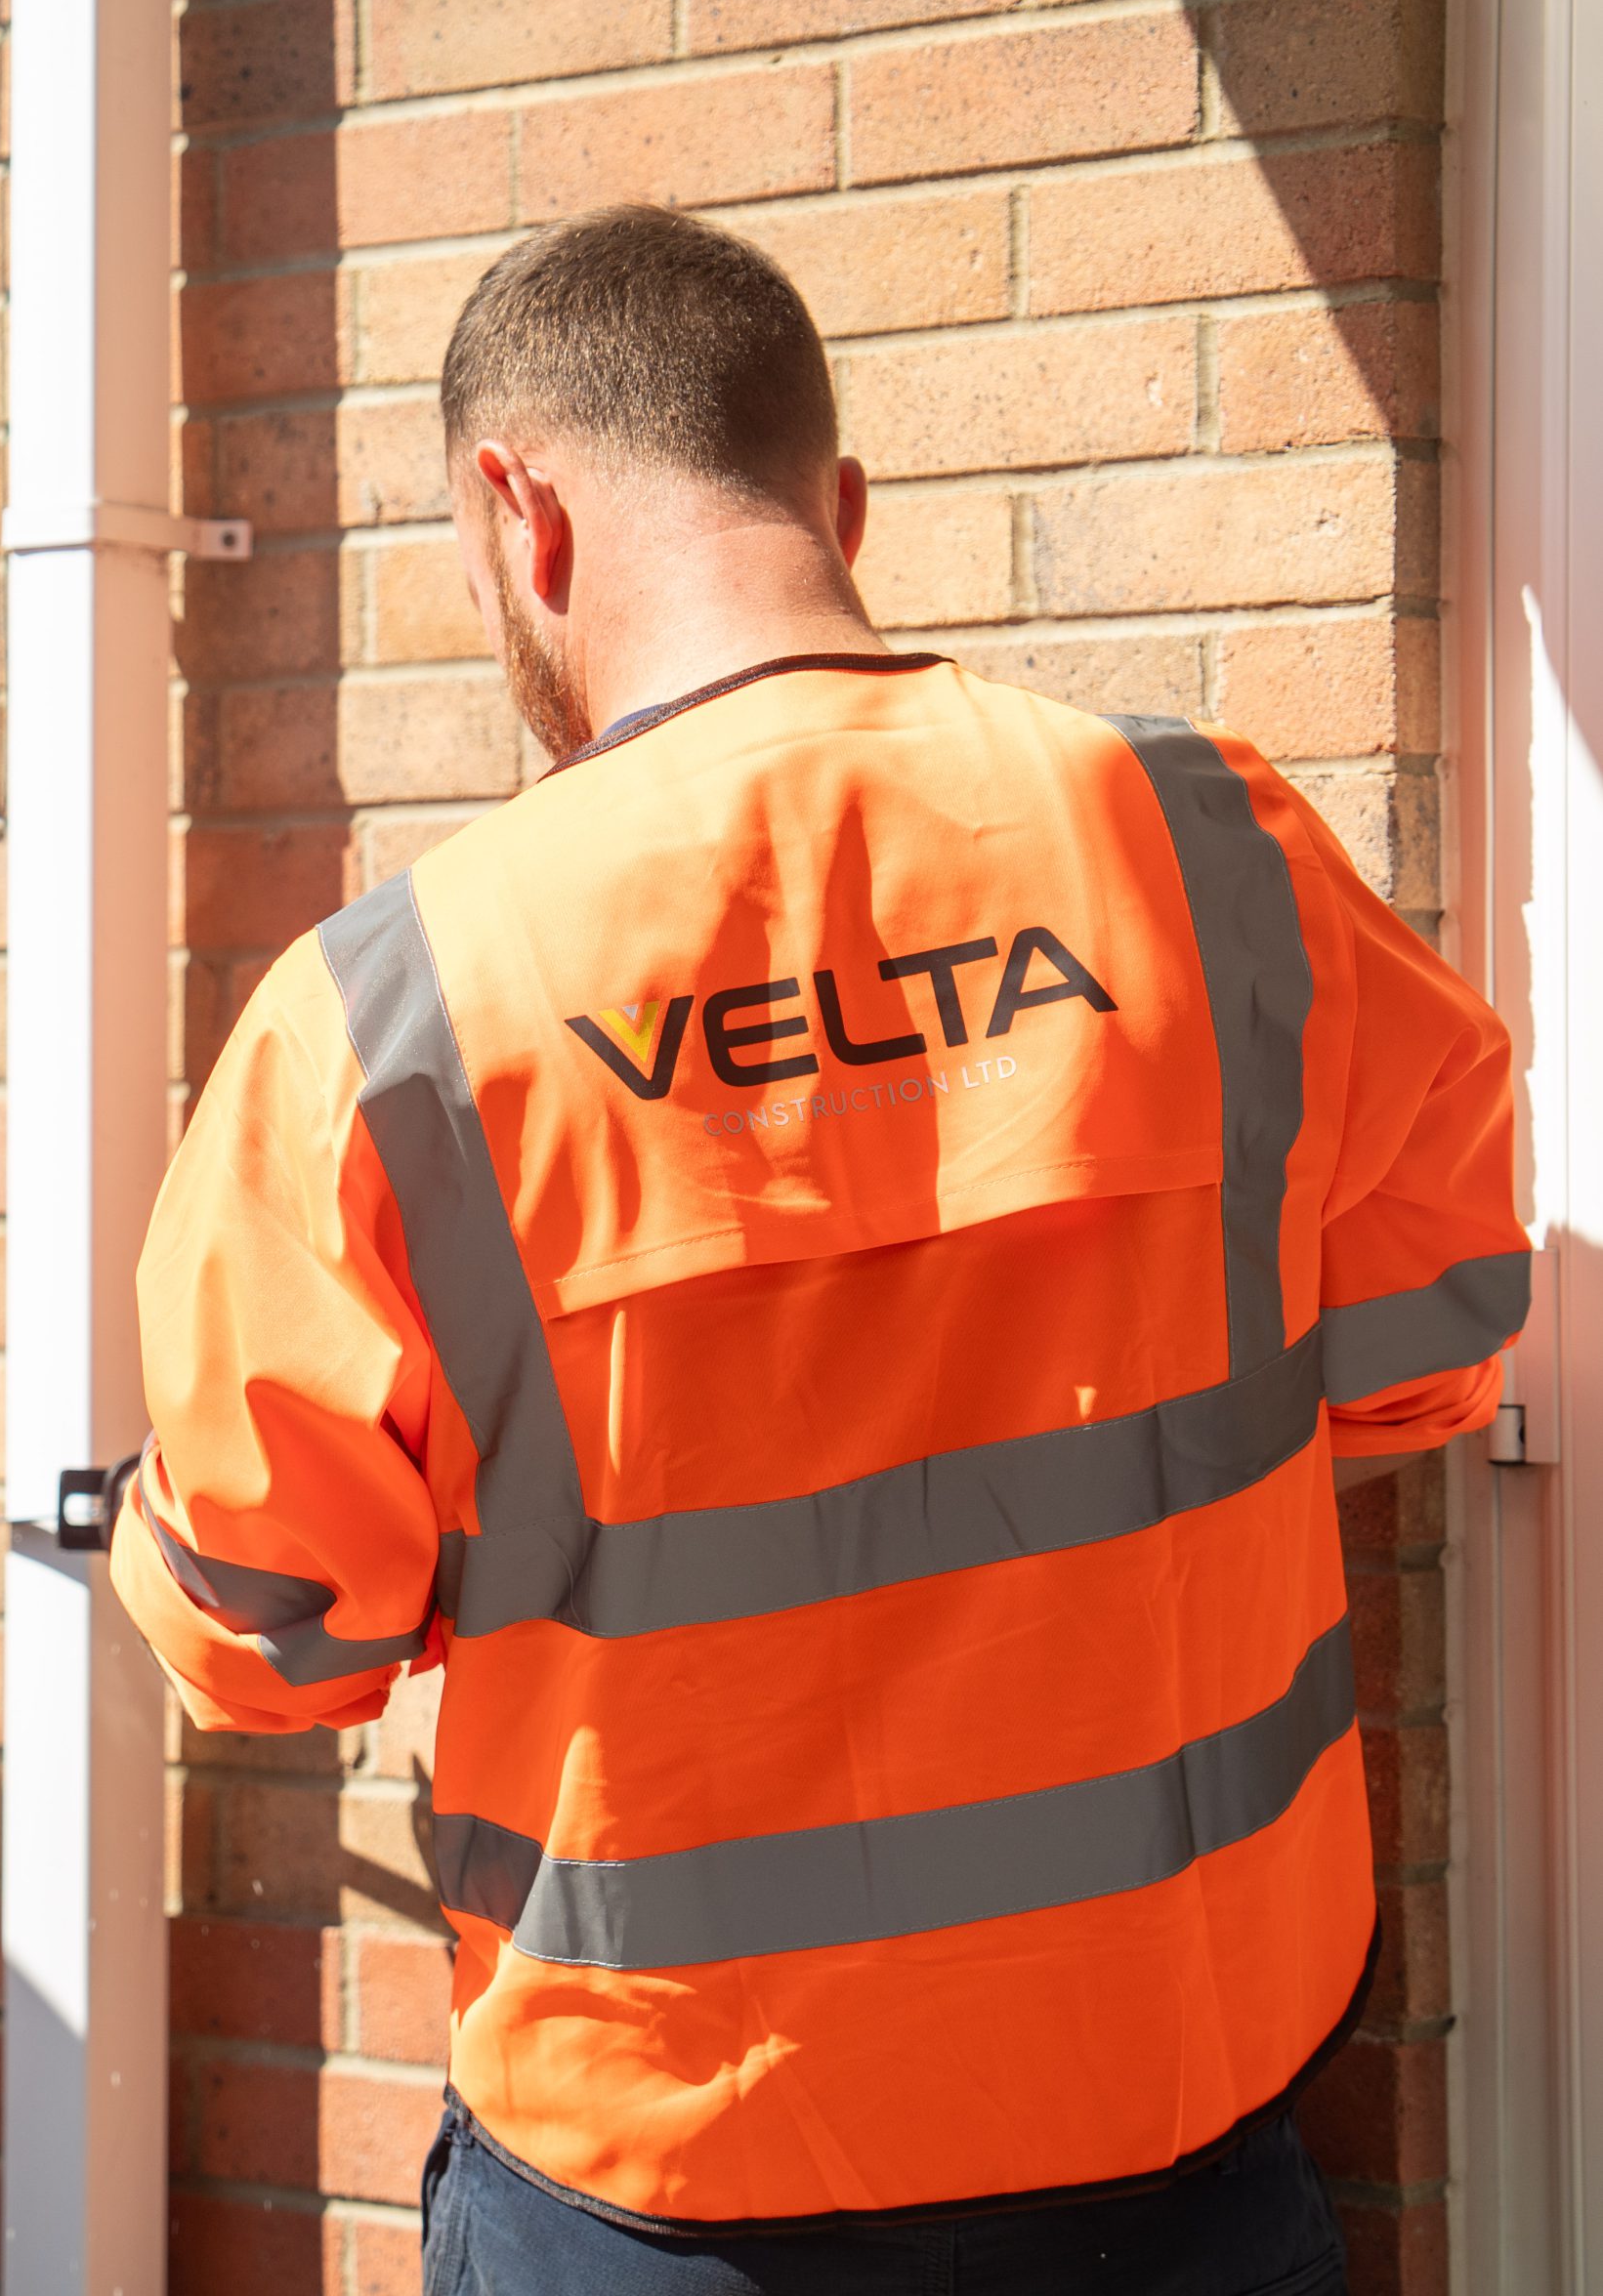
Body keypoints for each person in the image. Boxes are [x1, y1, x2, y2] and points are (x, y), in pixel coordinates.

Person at [110, 204, 1530, 2295]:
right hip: (1170, 2143)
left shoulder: (391, 1012)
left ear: (520, 513)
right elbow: (1427, 1352)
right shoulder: (1215, 849)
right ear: (838, 507)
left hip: (666, 2172)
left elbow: (270, 1632)